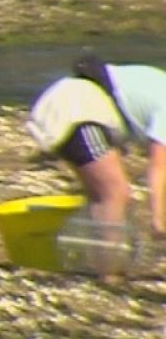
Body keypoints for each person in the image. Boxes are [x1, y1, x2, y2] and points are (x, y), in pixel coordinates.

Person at [27, 55, 166, 242]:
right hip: (76, 109)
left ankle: (100, 259)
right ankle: (109, 267)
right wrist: (157, 220)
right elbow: (158, 168)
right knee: (115, 193)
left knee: (101, 195)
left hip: (76, 105)